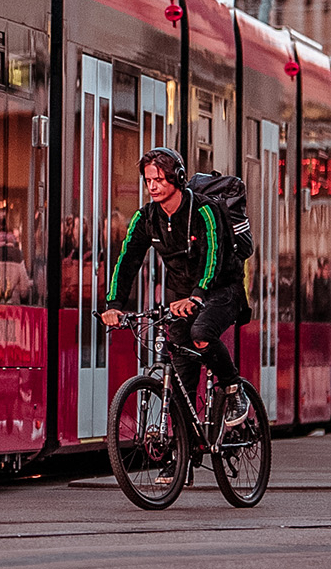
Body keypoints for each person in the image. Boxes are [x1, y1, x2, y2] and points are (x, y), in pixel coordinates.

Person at [99, 147, 244, 422]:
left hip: (222, 290)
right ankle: (178, 459)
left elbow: (213, 255)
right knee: (180, 380)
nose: (152, 187)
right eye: (148, 181)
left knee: (201, 333)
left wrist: (198, 295)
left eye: (159, 180)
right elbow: (127, 260)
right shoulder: (145, 218)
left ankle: (234, 389)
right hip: (181, 298)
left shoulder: (204, 210)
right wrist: (114, 305)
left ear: (177, 178)